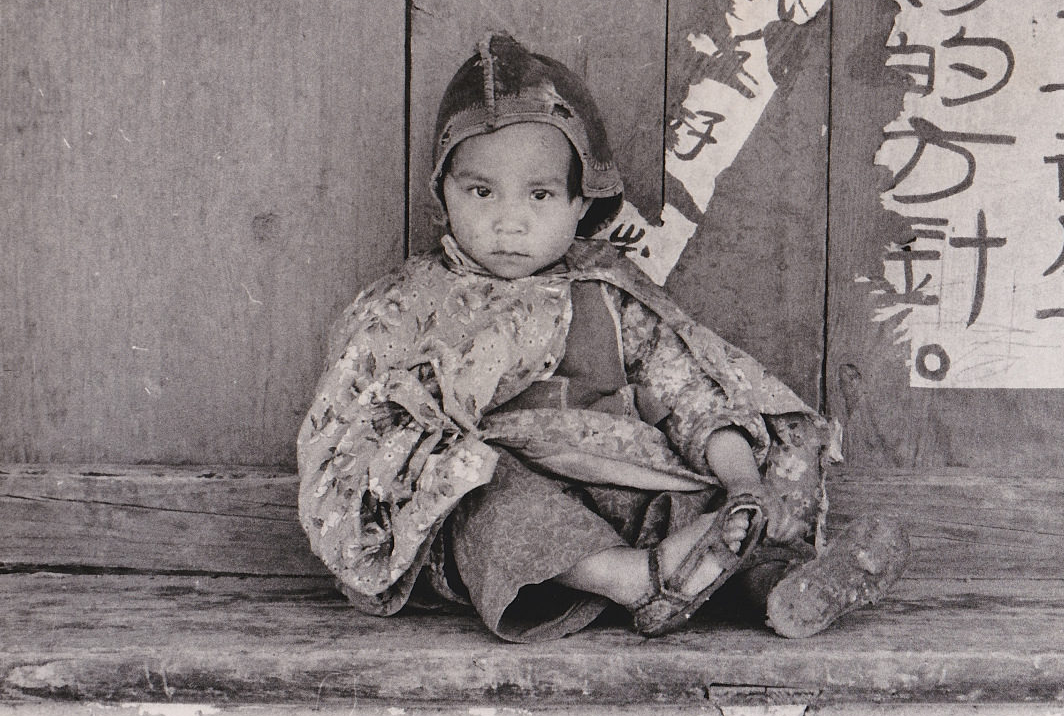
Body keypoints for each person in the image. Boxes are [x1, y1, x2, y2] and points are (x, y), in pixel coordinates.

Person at [297, 32, 908, 642]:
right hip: (514, 524)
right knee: (484, 496)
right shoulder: (408, 309)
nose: (509, 220)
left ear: (579, 204)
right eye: (481, 192)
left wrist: (745, 482)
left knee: (721, 514)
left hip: (625, 487)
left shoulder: (609, 295)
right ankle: (632, 579)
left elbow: (697, 397)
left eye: (538, 195)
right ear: (443, 193)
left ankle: (787, 590)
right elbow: (358, 432)